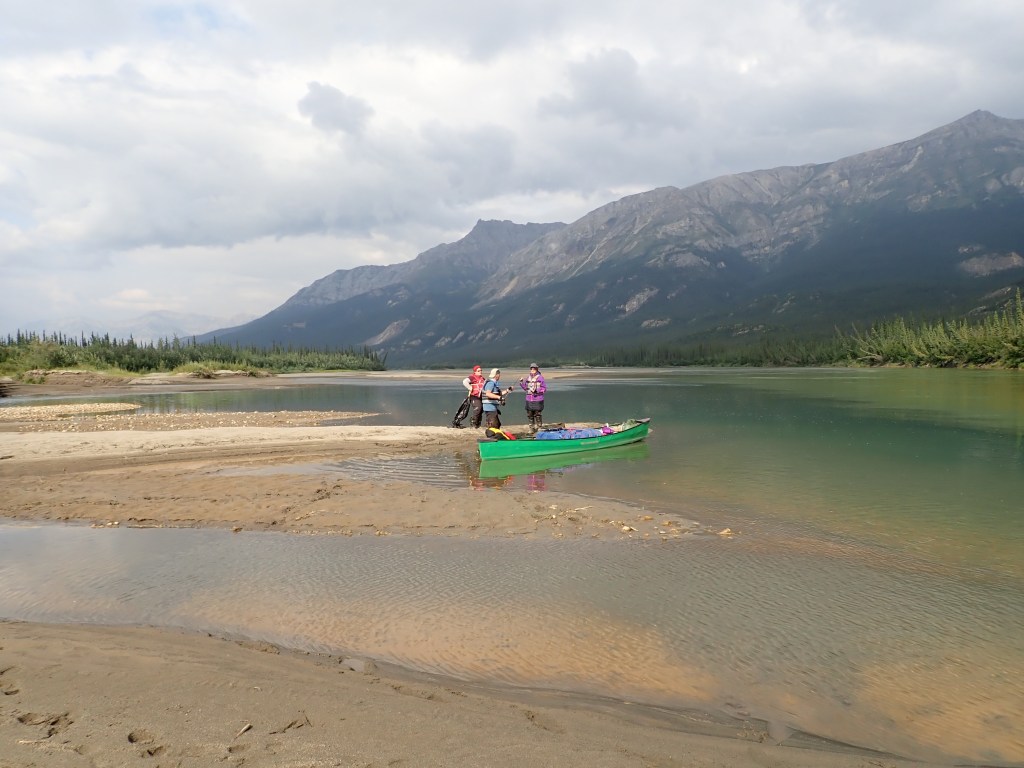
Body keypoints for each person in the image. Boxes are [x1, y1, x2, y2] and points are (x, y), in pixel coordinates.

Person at [519, 363, 546, 432]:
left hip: (538, 399)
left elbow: (544, 388)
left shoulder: (540, 377)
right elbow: (525, 388)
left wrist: (537, 390)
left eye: (534, 368)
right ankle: (531, 428)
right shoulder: (528, 378)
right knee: (530, 414)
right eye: (531, 368)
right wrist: (521, 383)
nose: (532, 369)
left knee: (538, 414)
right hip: (529, 399)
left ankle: (539, 427)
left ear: (537, 369)